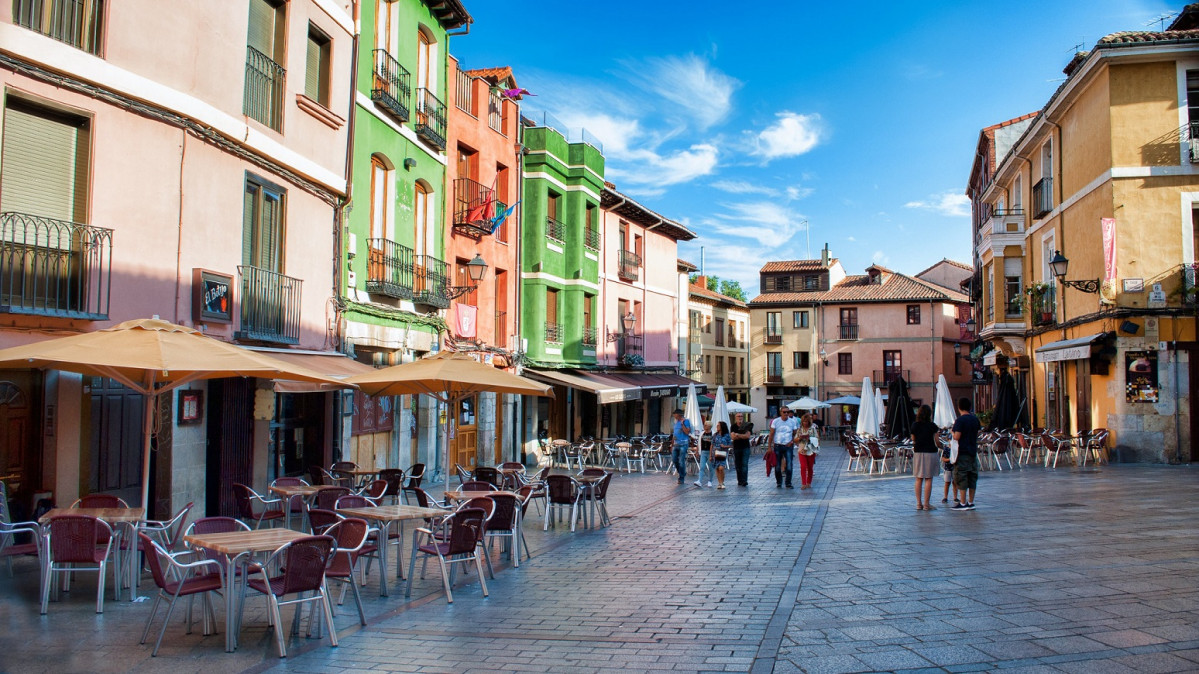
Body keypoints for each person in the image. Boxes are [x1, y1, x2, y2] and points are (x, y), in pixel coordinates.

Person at [951, 397, 982, 510]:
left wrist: (952, 433)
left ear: (959, 407)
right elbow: (977, 433)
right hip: (972, 451)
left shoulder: (960, 421)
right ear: (970, 407)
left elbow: (957, 436)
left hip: (962, 452)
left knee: (962, 476)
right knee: (972, 477)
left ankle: (963, 503)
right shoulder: (975, 419)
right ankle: (971, 501)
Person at [910, 404, 940, 510]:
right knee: (928, 478)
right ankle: (927, 504)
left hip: (918, 452)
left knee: (918, 478)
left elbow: (913, 439)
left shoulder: (914, 425)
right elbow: (937, 440)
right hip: (930, 452)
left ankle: (919, 504)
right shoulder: (933, 426)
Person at [766, 406, 800, 489]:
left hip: (788, 446)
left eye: (787, 412)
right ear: (780, 412)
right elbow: (771, 434)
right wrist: (769, 447)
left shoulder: (792, 422)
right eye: (784, 412)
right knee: (777, 466)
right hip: (778, 445)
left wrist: (792, 442)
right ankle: (779, 482)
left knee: (789, 465)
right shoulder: (776, 421)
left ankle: (788, 482)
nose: (786, 414)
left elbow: (795, 433)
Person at [669, 409, 693, 485]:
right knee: (674, 460)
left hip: (683, 444)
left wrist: (682, 424)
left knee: (681, 461)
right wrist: (672, 444)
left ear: (678, 414)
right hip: (675, 444)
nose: (673, 416)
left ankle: (681, 477)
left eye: (674, 414)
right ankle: (682, 473)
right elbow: (674, 434)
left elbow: (687, 432)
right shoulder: (676, 422)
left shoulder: (686, 421)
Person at [730, 413, 754, 486]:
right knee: (738, 465)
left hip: (745, 447)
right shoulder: (733, 426)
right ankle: (739, 480)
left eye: (741, 416)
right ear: (735, 417)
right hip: (736, 447)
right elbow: (733, 437)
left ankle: (744, 480)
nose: (740, 417)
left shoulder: (747, 425)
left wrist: (737, 435)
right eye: (738, 416)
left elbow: (747, 436)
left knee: (744, 464)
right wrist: (741, 436)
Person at [796, 413, 818, 489]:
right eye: (803, 421)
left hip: (810, 449)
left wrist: (810, 439)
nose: (805, 423)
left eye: (806, 421)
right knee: (803, 466)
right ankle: (803, 483)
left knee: (810, 467)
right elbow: (795, 439)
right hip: (802, 449)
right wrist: (799, 438)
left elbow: (817, 438)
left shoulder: (812, 429)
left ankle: (809, 482)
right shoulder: (799, 429)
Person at [710, 421, 731, 489]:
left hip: (723, 453)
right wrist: (710, 455)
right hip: (715, 453)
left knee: (721, 468)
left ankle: (722, 481)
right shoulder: (715, 435)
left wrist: (725, 446)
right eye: (717, 425)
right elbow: (712, 445)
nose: (717, 427)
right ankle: (719, 483)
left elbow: (730, 445)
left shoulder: (727, 435)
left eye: (718, 425)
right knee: (717, 468)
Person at [696, 420, 714, 487]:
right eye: (704, 425)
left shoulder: (713, 434)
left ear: (709, 426)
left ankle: (710, 481)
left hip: (710, 452)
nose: (704, 426)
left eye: (706, 425)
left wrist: (712, 454)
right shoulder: (702, 433)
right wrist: (697, 451)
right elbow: (699, 443)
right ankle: (699, 481)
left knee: (711, 467)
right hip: (703, 451)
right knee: (702, 467)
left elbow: (714, 443)